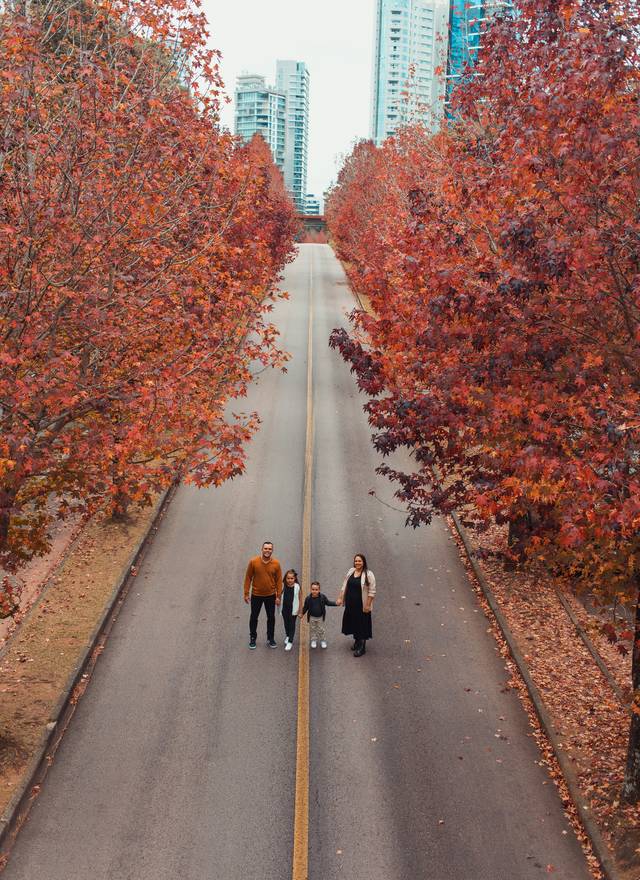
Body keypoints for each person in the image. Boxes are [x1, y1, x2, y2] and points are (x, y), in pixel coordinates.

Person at [243, 541, 282, 649]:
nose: (267, 550)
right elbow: (248, 578)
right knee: (254, 617)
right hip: (256, 595)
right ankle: (252, 638)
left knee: (271, 618)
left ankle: (270, 638)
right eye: (266, 548)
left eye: (270, 549)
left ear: (272, 550)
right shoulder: (253, 562)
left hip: (271, 595)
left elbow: (279, 581)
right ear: (262, 549)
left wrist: (278, 596)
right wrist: (246, 593)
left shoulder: (276, 564)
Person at [337, 553, 376, 657]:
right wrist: (340, 598)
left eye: (359, 561)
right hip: (350, 604)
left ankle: (362, 647)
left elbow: (372, 591)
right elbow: (344, 585)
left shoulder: (368, 574)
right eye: (356, 561)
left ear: (363, 562)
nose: (357, 563)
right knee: (354, 623)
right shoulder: (351, 571)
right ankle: (357, 641)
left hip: (362, 605)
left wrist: (368, 605)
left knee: (362, 624)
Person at [299, 581, 337, 649]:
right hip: (312, 617)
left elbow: (328, 603)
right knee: (313, 629)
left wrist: (336, 603)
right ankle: (313, 640)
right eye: (313, 589)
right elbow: (305, 607)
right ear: (311, 589)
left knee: (321, 629)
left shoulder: (322, 597)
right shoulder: (308, 598)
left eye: (316, 589)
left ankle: (323, 640)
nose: (314, 591)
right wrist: (302, 613)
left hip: (320, 617)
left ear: (319, 590)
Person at [280, 568, 301, 652]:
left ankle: (290, 641)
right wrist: (277, 599)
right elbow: (279, 594)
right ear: (285, 578)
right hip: (285, 608)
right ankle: (288, 635)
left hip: (293, 609)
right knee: (286, 623)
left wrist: (300, 610)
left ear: (295, 579)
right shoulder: (283, 585)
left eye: (291, 578)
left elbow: (300, 598)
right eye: (288, 578)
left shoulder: (297, 587)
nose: (290, 580)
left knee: (292, 624)